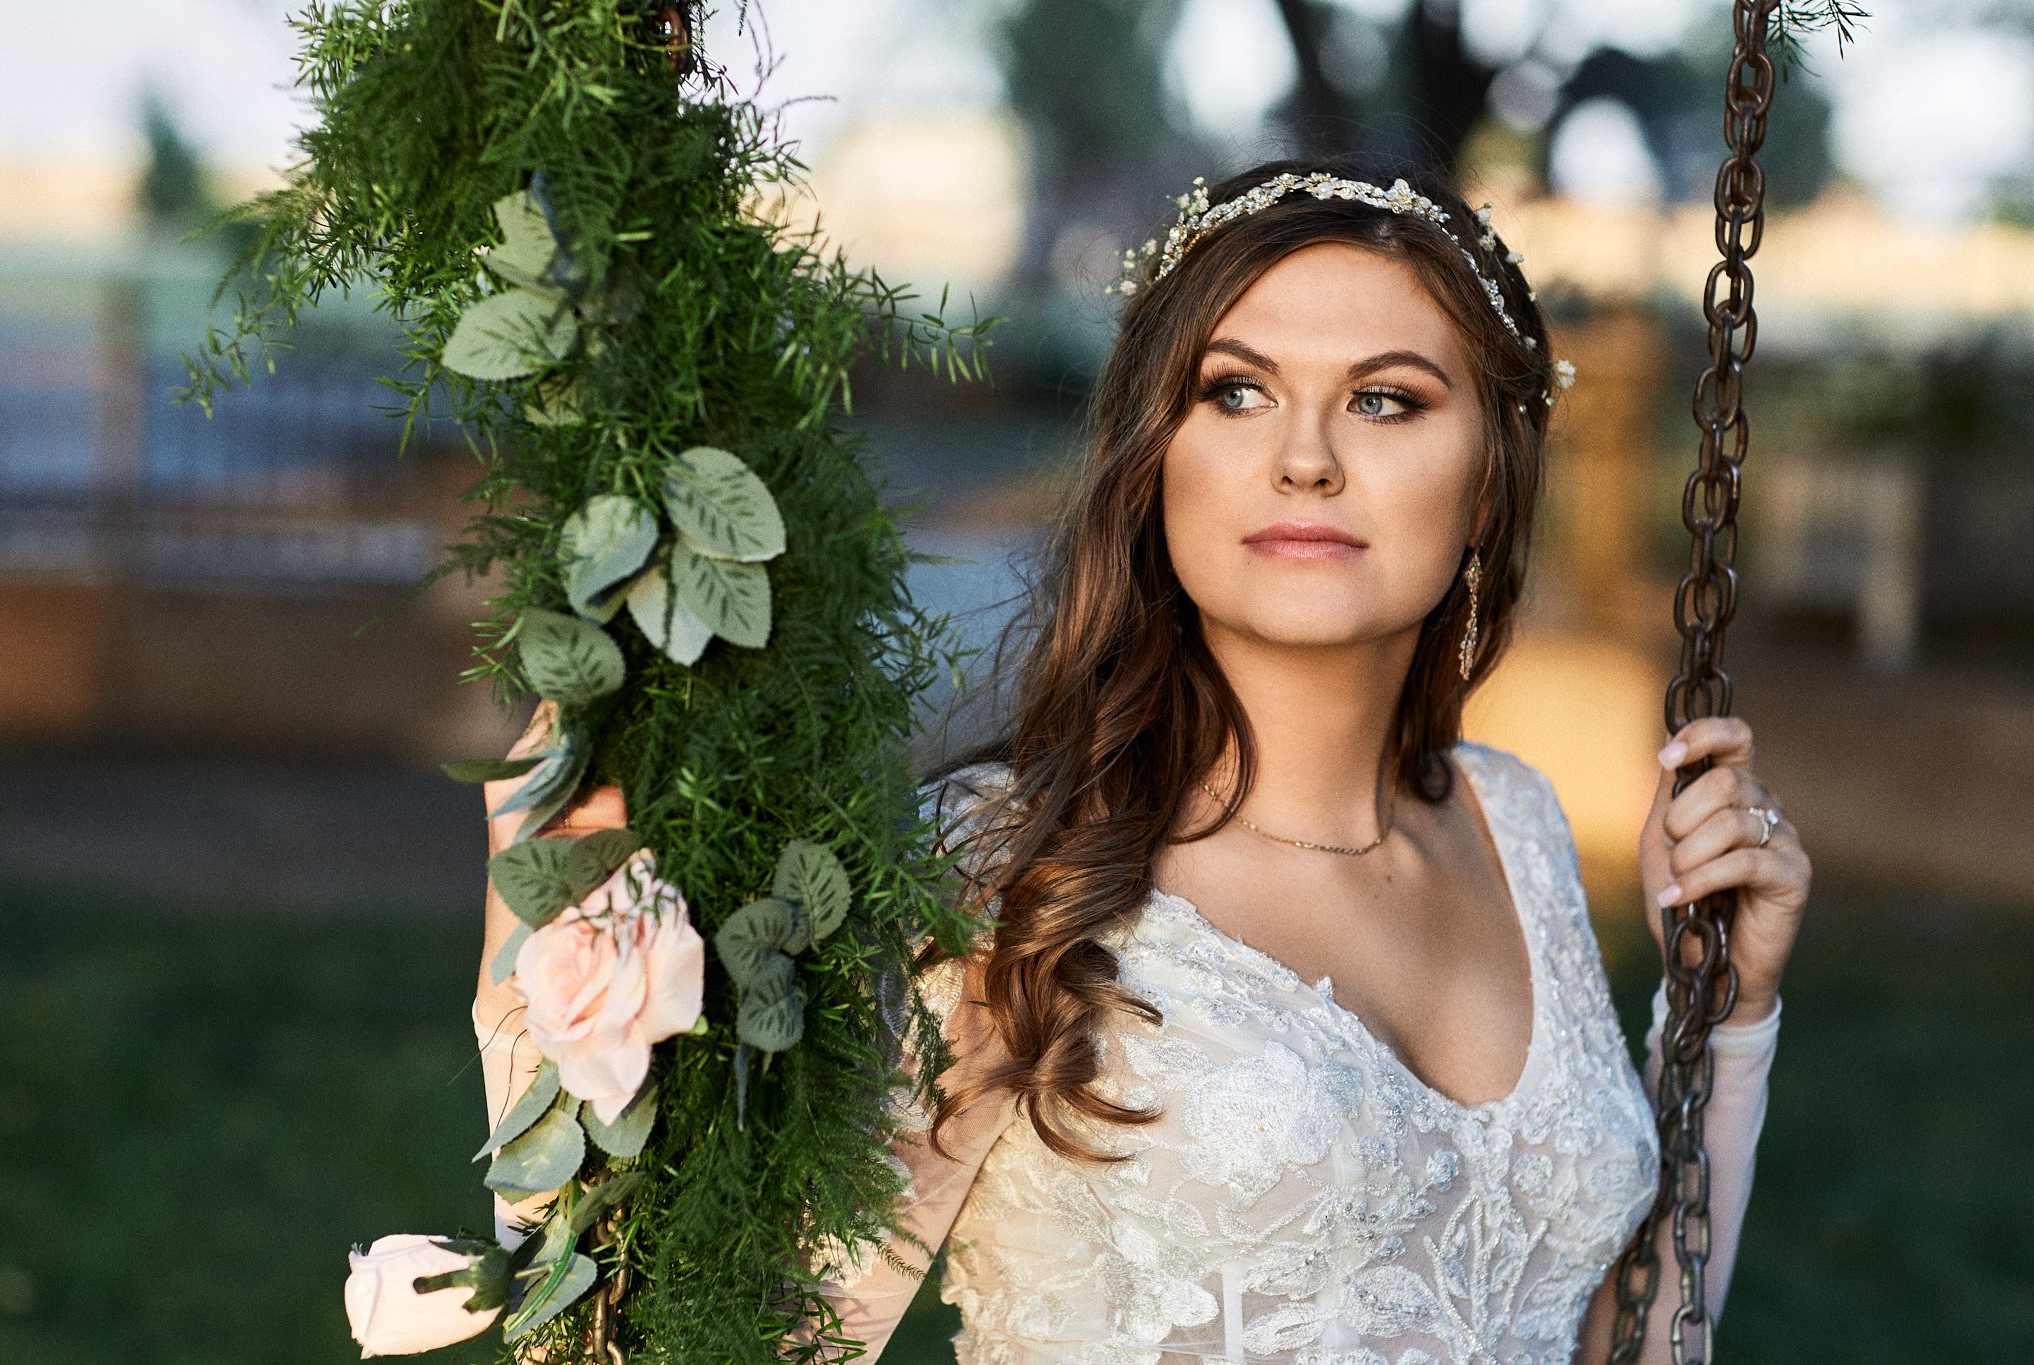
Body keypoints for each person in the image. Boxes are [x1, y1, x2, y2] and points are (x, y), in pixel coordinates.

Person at [472, 157, 1812, 1364]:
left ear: (1486, 485)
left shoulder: (1513, 822)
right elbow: (752, 1340)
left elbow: (1629, 1338)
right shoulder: (1017, 869)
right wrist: (565, 978)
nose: (1303, 458)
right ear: (1154, 458)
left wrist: (1729, 1012)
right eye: (1236, 391)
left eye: (1386, 401)